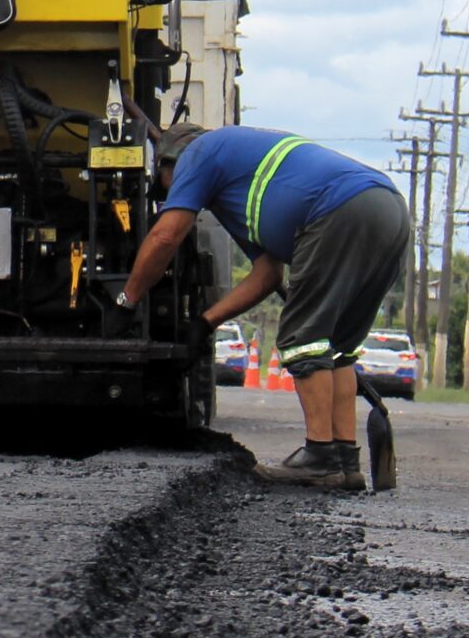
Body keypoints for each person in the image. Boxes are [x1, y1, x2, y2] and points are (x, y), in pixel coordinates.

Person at [117, 123, 411, 490]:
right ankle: (344, 461)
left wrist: (126, 300)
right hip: (389, 208)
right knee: (336, 351)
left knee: (303, 339)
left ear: (169, 163)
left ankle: (320, 456)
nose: (171, 191)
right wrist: (206, 323)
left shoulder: (197, 154)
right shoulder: (235, 182)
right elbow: (268, 273)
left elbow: (165, 235)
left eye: (165, 182)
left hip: (339, 210)